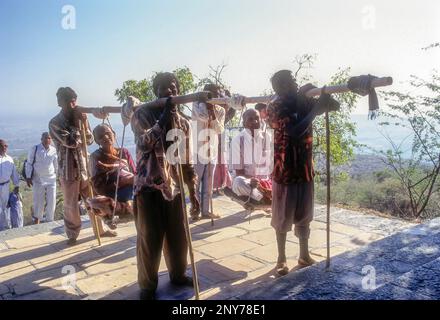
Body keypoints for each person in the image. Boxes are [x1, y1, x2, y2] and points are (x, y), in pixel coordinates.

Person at [131, 72, 201, 300]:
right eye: (163, 88)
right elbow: (144, 142)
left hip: (176, 186)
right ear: (156, 91)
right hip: (149, 187)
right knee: (149, 238)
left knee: (178, 235)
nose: (169, 91)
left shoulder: (182, 121)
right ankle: (147, 286)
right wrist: (162, 119)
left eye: (173, 87)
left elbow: (186, 159)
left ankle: (178, 274)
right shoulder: (142, 114)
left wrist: (193, 191)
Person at [267, 70, 340, 276]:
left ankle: (304, 254)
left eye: (294, 81)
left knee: (304, 215)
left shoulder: (302, 101)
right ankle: (281, 259)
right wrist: (316, 108)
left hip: (305, 168)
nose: (293, 85)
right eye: (289, 82)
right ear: (279, 88)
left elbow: (335, 107)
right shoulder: (276, 106)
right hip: (285, 170)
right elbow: (294, 130)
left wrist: (321, 94)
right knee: (282, 218)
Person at [49, 87, 115, 245]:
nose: (73, 105)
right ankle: (72, 235)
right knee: (71, 205)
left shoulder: (80, 118)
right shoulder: (55, 123)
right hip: (68, 170)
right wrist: (79, 124)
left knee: (93, 199)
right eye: (69, 102)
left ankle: (100, 230)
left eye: (74, 101)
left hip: (84, 167)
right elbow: (71, 142)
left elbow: (90, 139)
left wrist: (85, 122)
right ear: (61, 103)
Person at [88, 124, 136, 222]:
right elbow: (98, 187)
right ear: (97, 141)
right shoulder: (96, 157)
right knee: (96, 202)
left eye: (108, 133)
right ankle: (127, 208)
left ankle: (130, 207)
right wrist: (123, 182)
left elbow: (134, 172)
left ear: (113, 134)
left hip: (132, 189)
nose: (106, 137)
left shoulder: (124, 152)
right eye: (101, 136)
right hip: (113, 195)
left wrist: (132, 180)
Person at [191, 83, 225, 220]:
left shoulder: (221, 110)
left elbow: (219, 129)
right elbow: (202, 117)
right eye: (212, 93)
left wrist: (213, 112)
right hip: (198, 149)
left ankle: (206, 211)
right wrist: (208, 108)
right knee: (196, 182)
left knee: (208, 184)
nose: (215, 96)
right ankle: (195, 210)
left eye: (217, 93)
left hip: (212, 150)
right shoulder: (196, 104)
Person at [230, 109, 272, 209]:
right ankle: (263, 199)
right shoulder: (237, 141)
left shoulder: (267, 137)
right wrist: (251, 181)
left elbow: (271, 165)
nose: (255, 121)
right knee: (238, 182)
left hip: (264, 182)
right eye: (251, 119)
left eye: (257, 118)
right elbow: (239, 172)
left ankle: (265, 196)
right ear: (244, 123)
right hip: (248, 182)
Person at [25, 132, 58, 224]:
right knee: (38, 201)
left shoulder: (53, 150)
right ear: (41, 139)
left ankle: (50, 220)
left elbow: (56, 165)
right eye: (46, 138)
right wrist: (28, 177)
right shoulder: (35, 149)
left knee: (52, 200)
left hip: (51, 179)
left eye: (49, 138)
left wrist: (58, 177)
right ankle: (37, 221)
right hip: (38, 179)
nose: (48, 140)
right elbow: (29, 163)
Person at [213, 89, 235, 194]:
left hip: (221, 137)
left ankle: (222, 184)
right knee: (217, 161)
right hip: (213, 137)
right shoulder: (216, 112)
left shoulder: (225, 116)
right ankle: (216, 185)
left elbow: (232, 111)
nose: (227, 107)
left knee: (222, 160)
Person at [0, 139, 20, 231]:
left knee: (4, 207)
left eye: (6, 146)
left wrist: (16, 186)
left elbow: (14, 174)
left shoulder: (9, 159)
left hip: (5, 186)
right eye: (2, 146)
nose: (4, 148)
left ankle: (5, 228)